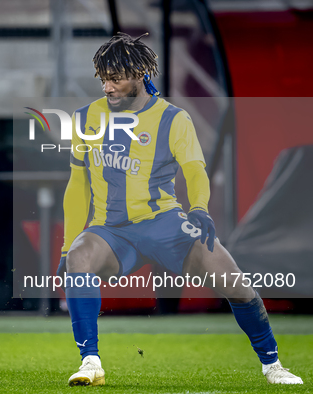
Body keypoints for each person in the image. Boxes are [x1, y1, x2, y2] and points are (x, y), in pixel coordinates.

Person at [58, 33, 302, 387]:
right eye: (103, 79)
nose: (108, 87)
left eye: (116, 78)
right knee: (78, 258)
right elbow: (77, 184)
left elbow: (194, 169)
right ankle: (90, 362)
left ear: (140, 73)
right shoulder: (86, 118)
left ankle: (272, 364)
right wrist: (67, 245)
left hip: (166, 224)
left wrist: (199, 208)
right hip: (110, 230)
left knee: (237, 285)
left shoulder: (173, 119)